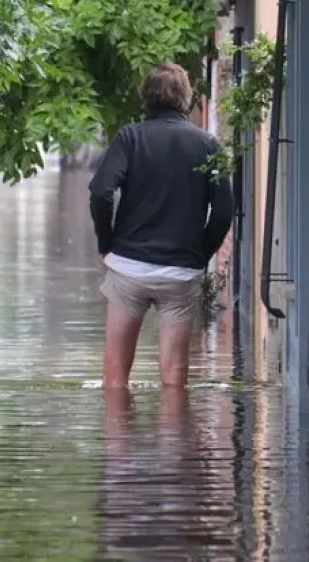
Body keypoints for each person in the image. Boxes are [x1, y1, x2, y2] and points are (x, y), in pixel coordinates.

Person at [88, 62, 233, 388]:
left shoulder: (129, 138)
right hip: (180, 270)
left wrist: (106, 243)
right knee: (174, 376)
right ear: (186, 98)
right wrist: (200, 254)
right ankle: (172, 438)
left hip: (129, 268)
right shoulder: (207, 145)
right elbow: (224, 211)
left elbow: (100, 192)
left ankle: (118, 436)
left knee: (115, 377)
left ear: (146, 97)